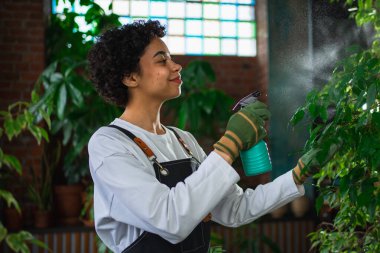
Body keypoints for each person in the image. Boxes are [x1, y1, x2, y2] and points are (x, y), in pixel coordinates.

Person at [87, 20, 331, 253]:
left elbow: (235, 209)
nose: (176, 66)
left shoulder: (183, 140)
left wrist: (298, 173)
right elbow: (169, 219)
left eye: (171, 58)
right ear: (130, 77)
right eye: (162, 60)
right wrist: (230, 144)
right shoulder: (109, 143)